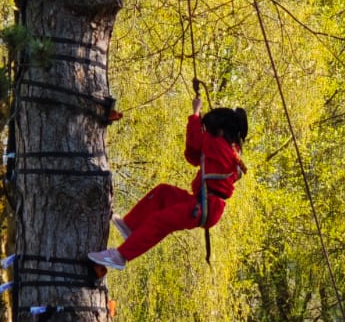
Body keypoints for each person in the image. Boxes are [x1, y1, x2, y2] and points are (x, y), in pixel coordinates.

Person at [88, 90, 247, 270]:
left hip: (205, 206)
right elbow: (193, 156)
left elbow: (196, 140)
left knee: (161, 221)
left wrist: (195, 114)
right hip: (202, 202)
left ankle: (120, 256)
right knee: (163, 193)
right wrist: (198, 125)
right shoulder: (222, 149)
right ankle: (131, 225)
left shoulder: (220, 146)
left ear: (220, 131)